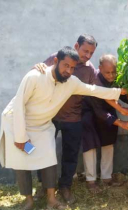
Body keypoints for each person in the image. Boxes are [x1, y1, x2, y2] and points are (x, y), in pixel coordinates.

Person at [0, 46, 127, 210]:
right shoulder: (35, 76)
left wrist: (120, 91)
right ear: (56, 61)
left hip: (42, 126)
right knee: (22, 161)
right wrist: (21, 137)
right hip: (17, 123)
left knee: (48, 159)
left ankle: (51, 200)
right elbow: (18, 107)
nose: (69, 71)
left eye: (72, 68)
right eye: (66, 65)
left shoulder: (71, 82)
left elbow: (93, 90)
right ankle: (29, 201)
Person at [34, 34, 99, 204]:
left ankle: (65, 186)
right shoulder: (58, 57)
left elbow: (93, 92)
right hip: (50, 117)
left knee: (70, 155)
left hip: (73, 118)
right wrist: (38, 67)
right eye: (85, 50)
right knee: (44, 151)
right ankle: (44, 186)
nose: (87, 55)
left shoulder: (90, 69)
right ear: (76, 46)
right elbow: (37, 76)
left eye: (91, 52)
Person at [81, 54, 128, 193]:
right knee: (90, 146)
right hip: (90, 113)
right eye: (107, 72)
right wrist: (120, 123)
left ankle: (106, 178)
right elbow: (99, 112)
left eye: (113, 72)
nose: (111, 76)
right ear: (100, 68)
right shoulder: (94, 80)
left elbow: (122, 94)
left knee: (108, 143)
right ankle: (91, 180)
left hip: (108, 111)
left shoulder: (116, 78)